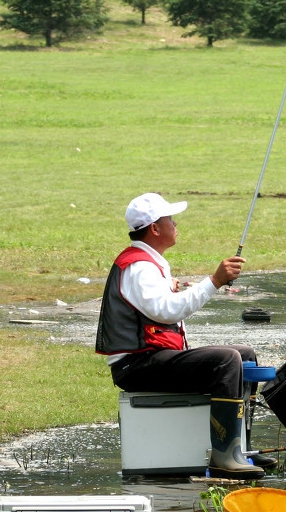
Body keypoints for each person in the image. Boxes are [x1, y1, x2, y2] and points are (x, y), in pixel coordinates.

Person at [95, 193, 264, 479]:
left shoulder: (148, 262)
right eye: (170, 219)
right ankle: (223, 456)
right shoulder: (140, 267)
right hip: (136, 366)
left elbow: (158, 306)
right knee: (226, 360)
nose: (176, 224)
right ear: (155, 229)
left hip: (151, 359)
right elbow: (167, 311)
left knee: (244, 354)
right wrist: (214, 282)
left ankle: (240, 448)